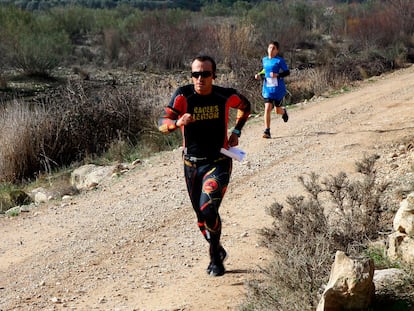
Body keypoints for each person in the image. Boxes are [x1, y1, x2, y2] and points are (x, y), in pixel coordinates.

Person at [158, 55, 251, 276]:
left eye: (205, 74)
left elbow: (245, 107)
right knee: (201, 217)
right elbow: (162, 123)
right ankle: (217, 248)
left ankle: (214, 260)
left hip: (218, 161)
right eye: (196, 74)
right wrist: (177, 123)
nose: (200, 78)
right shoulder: (183, 95)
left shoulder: (224, 95)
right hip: (191, 165)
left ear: (214, 75)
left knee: (209, 209)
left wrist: (236, 130)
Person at [255, 41, 290, 139]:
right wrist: (259, 74)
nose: (271, 50)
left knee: (277, 110)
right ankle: (267, 131)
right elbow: (265, 70)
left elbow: (287, 72)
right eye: (269, 48)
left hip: (278, 90)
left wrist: (277, 75)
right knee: (267, 108)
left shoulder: (279, 61)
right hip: (267, 89)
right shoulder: (264, 60)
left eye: (273, 48)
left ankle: (283, 112)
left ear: (277, 51)